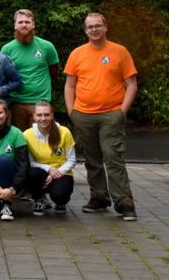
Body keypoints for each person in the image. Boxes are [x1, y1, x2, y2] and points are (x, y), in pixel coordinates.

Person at [65, 12, 138, 220]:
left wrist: (122, 112)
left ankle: (124, 201)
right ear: (85, 30)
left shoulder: (119, 52)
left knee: (113, 156)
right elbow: (70, 84)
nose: (94, 29)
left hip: (111, 114)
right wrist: (72, 112)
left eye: (98, 26)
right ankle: (98, 197)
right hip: (83, 114)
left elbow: (131, 84)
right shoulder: (78, 53)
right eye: (90, 27)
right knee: (92, 159)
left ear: (105, 27)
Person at [1, 9, 60, 131]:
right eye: (20, 22)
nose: (24, 25)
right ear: (15, 25)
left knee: (41, 140)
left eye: (27, 22)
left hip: (40, 104)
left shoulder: (47, 46)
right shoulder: (7, 49)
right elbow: (3, 76)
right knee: (20, 141)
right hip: (16, 103)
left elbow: (54, 71)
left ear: (33, 24)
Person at [24, 101, 76, 215]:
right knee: (31, 174)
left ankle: (60, 201)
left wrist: (57, 172)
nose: (43, 118)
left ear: (52, 115)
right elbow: (30, 162)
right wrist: (48, 169)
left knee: (60, 195)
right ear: (34, 117)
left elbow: (72, 159)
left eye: (47, 115)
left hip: (61, 173)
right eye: (39, 115)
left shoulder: (64, 132)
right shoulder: (27, 135)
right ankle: (38, 198)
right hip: (40, 172)